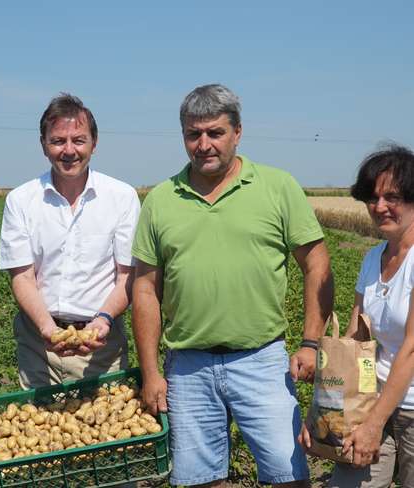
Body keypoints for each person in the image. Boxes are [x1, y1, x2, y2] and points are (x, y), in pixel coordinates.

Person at [131, 83, 334, 487]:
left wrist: (312, 342)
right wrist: (151, 372)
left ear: (237, 133)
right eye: (193, 134)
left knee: (287, 474)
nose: (203, 144)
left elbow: (317, 263)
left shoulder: (277, 187)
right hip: (188, 366)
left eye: (215, 133)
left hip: (262, 360)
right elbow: (144, 290)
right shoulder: (161, 199)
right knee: (198, 480)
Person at [0, 93, 140, 388]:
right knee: (39, 427)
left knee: (105, 428)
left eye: (78, 140)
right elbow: (22, 277)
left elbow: (127, 275)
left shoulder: (121, 197)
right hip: (39, 344)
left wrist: (102, 320)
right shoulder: (22, 200)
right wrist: (47, 328)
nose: (69, 150)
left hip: (102, 345)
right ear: (43, 144)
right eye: (58, 141)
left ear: (94, 143)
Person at [300, 144, 414, 487]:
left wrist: (374, 424)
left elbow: (411, 349)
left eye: (392, 197)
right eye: (372, 198)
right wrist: (323, 410)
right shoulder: (372, 258)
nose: (380, 207)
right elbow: (353, 338)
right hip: (372, 399)